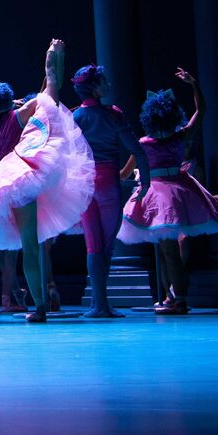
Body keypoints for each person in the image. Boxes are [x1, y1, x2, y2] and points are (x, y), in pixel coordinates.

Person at [0, 40, 95, 322]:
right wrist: (53, 54)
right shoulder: (19, 115)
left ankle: (38, 305)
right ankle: (40, 305)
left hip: (4, 179)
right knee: (34, 245)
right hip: (24, 174)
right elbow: (50, 89)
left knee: (29, 245)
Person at [118, 69, 218, 315]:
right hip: (177, 193)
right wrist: (194, 86)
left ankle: (179, 299)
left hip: (164, 197)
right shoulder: (178, 137)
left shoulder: (146, 143)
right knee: (165, 248)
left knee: (169, 250)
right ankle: (172, 295)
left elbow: (124, 174)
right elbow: (201, 112)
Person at [69, 65, 152, 318]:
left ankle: (98, 304)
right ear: (94, 86)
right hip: (106, 182)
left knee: (92, 245)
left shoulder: (74, 118)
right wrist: (146, 182)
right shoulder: (113, 114)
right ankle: (101, 305)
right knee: (105, 246)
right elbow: (137, 150)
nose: (108, 84)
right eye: (103, 80)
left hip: (83, 183)